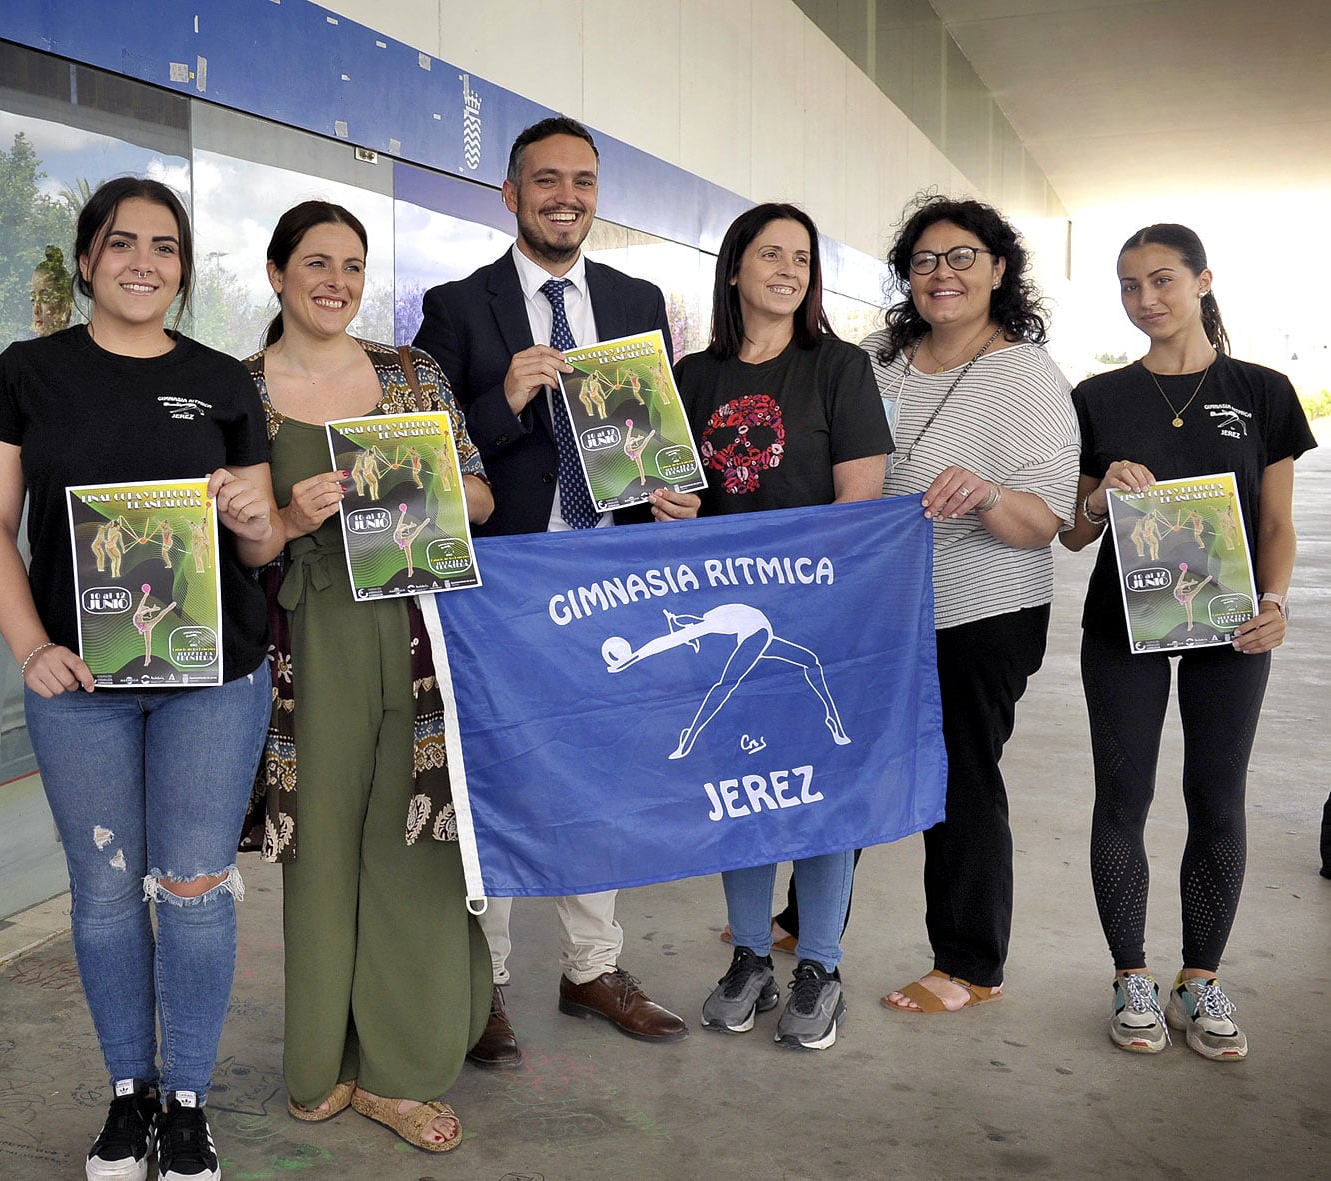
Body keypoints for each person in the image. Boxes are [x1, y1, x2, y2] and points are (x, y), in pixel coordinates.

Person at [0, 177, 278, 1181]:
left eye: (166, 246)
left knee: (192, 889)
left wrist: (244, 514)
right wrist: (30, 646)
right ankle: (127, 1093)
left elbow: (264, 540)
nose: (144, 261)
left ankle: (186, 1099)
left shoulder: (224, 381)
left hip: (212, 675)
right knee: (103, 893)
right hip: (78, 687)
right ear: (89, 258)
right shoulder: (26, 373)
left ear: (183, 268)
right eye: (122, 242)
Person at [413, 115, 696, 1064]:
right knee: (489, 774)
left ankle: (590, 968)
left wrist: (669, 492)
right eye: (546, 180)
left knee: (599, 771)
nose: (565, 196)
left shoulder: (638, 296)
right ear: (510, 193)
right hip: (502, 580)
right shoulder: (457, 307)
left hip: (609, 570)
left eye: (582, 181)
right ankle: (484, 982)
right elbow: (431, 458)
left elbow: (657, 434)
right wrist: (506, 401)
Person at [247, 200, 493, 1153]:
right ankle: (321, 1061)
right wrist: (290, 512)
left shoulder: (410, 373)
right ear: (276, 273)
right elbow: (228, 534)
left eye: (353, 265)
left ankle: (400, 1068)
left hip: (419, 630)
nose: (336, 282)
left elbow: (477, 491)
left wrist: (412, 484)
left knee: (415, 842)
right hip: (308, 643)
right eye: (316, 262)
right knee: (319, 845)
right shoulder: (241, 389)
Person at [1059, 223, 1315, 1060]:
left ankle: (1199, 977)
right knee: (1122, 799)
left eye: (1162, 280)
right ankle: (1131, 973)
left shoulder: (1264, 391)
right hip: (1124, 626)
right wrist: (1101, 498)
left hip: (1229, 625)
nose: (1145, 300)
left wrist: (1274, 601)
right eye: (1129, 285)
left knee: (1217, 797)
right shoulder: (1098, 397)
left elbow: (1276, 523)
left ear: (1204, 280)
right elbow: (1070, 530)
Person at [673, 203, 889, 1049]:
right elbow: (672, 507)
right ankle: (752, 958)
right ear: (735, 269)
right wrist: (669, 510)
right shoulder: (693, 376)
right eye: (772, 254)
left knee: (820, 795)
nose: (789, 270)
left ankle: (822, 966)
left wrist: (800, 586)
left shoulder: (839, 368)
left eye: (802, 257)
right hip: (728, 617)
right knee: (744, 788)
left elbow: (860, 498)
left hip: (818, 611)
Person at [862, 196, 1079, 1015]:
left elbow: (1045, 522)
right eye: (924, 261)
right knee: (851, 754)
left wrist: (988, 493)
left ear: (997, 269)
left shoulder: (1026, 375)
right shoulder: (878, 361)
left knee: (957, 776)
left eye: (961, 258)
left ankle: (968, 961)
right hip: (878, 605)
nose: (941, 274)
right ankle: (806, 915)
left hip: (980, 610)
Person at [32, 244, 75, 337]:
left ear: (65, 305)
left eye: (45, 298)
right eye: (33, 299)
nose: (36, 310)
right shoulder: (21, 350)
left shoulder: (80, 348)